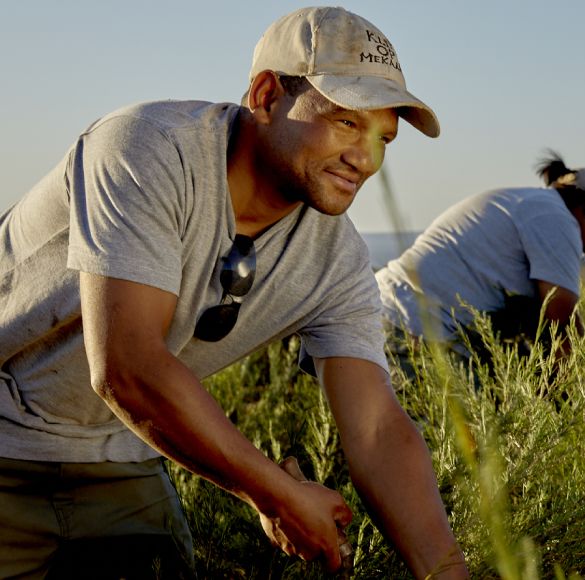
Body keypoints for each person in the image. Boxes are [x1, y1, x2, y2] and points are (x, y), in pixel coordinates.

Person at [0, 7, 469, 579]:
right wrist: (276, 493)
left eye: (383, 138)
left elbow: (376, 429)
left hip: (118, 452)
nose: (365, 159)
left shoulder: (337, 259)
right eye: (346, 122)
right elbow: (127, 367)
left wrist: (447, 573)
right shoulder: (147, 148)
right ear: (267, 95)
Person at [376, 151, 585, 371]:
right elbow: (561, 326)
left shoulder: (526, 203)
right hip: (414, 326)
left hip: (384, 309)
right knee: (461, 420)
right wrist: (580, 401)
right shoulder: (559, 220)